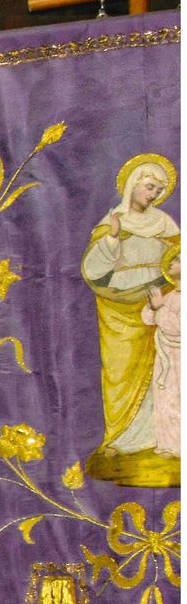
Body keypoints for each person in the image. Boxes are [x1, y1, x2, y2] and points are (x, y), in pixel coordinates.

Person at [81, 152, 181, 487]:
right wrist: (111, 239)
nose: (152, 194)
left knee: (166, 379)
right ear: (132, 184)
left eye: (158, 190)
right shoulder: (112, 222)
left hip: (162, 306)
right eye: (149, 186)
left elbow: (178, 261)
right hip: (120, 312)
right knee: (121, 373)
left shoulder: (167, 226)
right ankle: (125, 439)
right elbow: (95, 272)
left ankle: (165, 440)